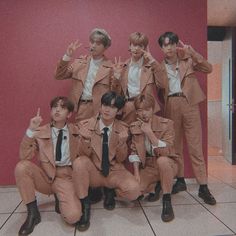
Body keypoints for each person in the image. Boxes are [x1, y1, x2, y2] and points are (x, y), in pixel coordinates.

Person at [154, 31, 216, 205]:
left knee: (195, 145)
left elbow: (208, 68)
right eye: (165, 45)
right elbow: (158, 89)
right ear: (162, 47)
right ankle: (180, 180)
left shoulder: (187, 60)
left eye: (172, 44)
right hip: (171, 104)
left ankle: (203, 187)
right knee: (175, 145)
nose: (169, 47)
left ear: (176, 45)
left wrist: (193, 53)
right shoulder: (158, 67)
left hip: (189, 103)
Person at [72, 91, 141, 231]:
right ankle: (85, 206)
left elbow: (121, 159)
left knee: (134, 191)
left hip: (113, 171)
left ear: (119, 111)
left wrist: (122, 143)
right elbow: (80, 155)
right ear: (100, 106)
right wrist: (85, 139)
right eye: (105, 105)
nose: (107, 109)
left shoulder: (123, 128)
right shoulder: (85, 125)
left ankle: (110, 190)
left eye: (113, 107)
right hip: (94, 172)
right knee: (79, 163)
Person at [15, 97, 82, 235]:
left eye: (62, 107)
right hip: (46, 177)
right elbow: (24, 156)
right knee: (22, 167)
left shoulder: (77, 131)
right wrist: (30, 130)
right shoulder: (39, 131)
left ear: (69, 114)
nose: (57, 109)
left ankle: (60, 196)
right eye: (54, 107)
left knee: (73, 216)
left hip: (66, 178)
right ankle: (33, 213)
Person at [129, 94, 178, 222]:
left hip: (168, 163)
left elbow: (167, 151)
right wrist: (136, 173)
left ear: (152, 109)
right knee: (132, 192)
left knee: (162, 161)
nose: (143, 113)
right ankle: (156, 185)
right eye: (140, 110)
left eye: (147, 109)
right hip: (149, 166)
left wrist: (150, 133)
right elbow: (134, 151)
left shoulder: (167, 124)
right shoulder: (134, 126)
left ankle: (167, 200)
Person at [55, 28, 113, 122]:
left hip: (101, 110)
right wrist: (67, 56)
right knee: (81, 135)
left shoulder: (111, 67)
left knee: (98, 136)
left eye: (98, 44)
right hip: (82, 107)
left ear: (105, 47)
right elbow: (59, 75)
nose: (93, 46)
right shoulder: (79, 63)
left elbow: (115, 92)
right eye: (92, 42)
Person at [112, 32, 160, 125]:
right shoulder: (122, 67)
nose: (136, 48)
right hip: (128, 106)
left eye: (140, 46)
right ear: (130, 46)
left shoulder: (151, 66)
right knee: (126, 136)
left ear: (144, 48)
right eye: (134, 45)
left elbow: (162, 83)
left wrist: (153, 61)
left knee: (145, 137)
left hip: (146, 107)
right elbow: (115, 93)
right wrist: (116, 77)